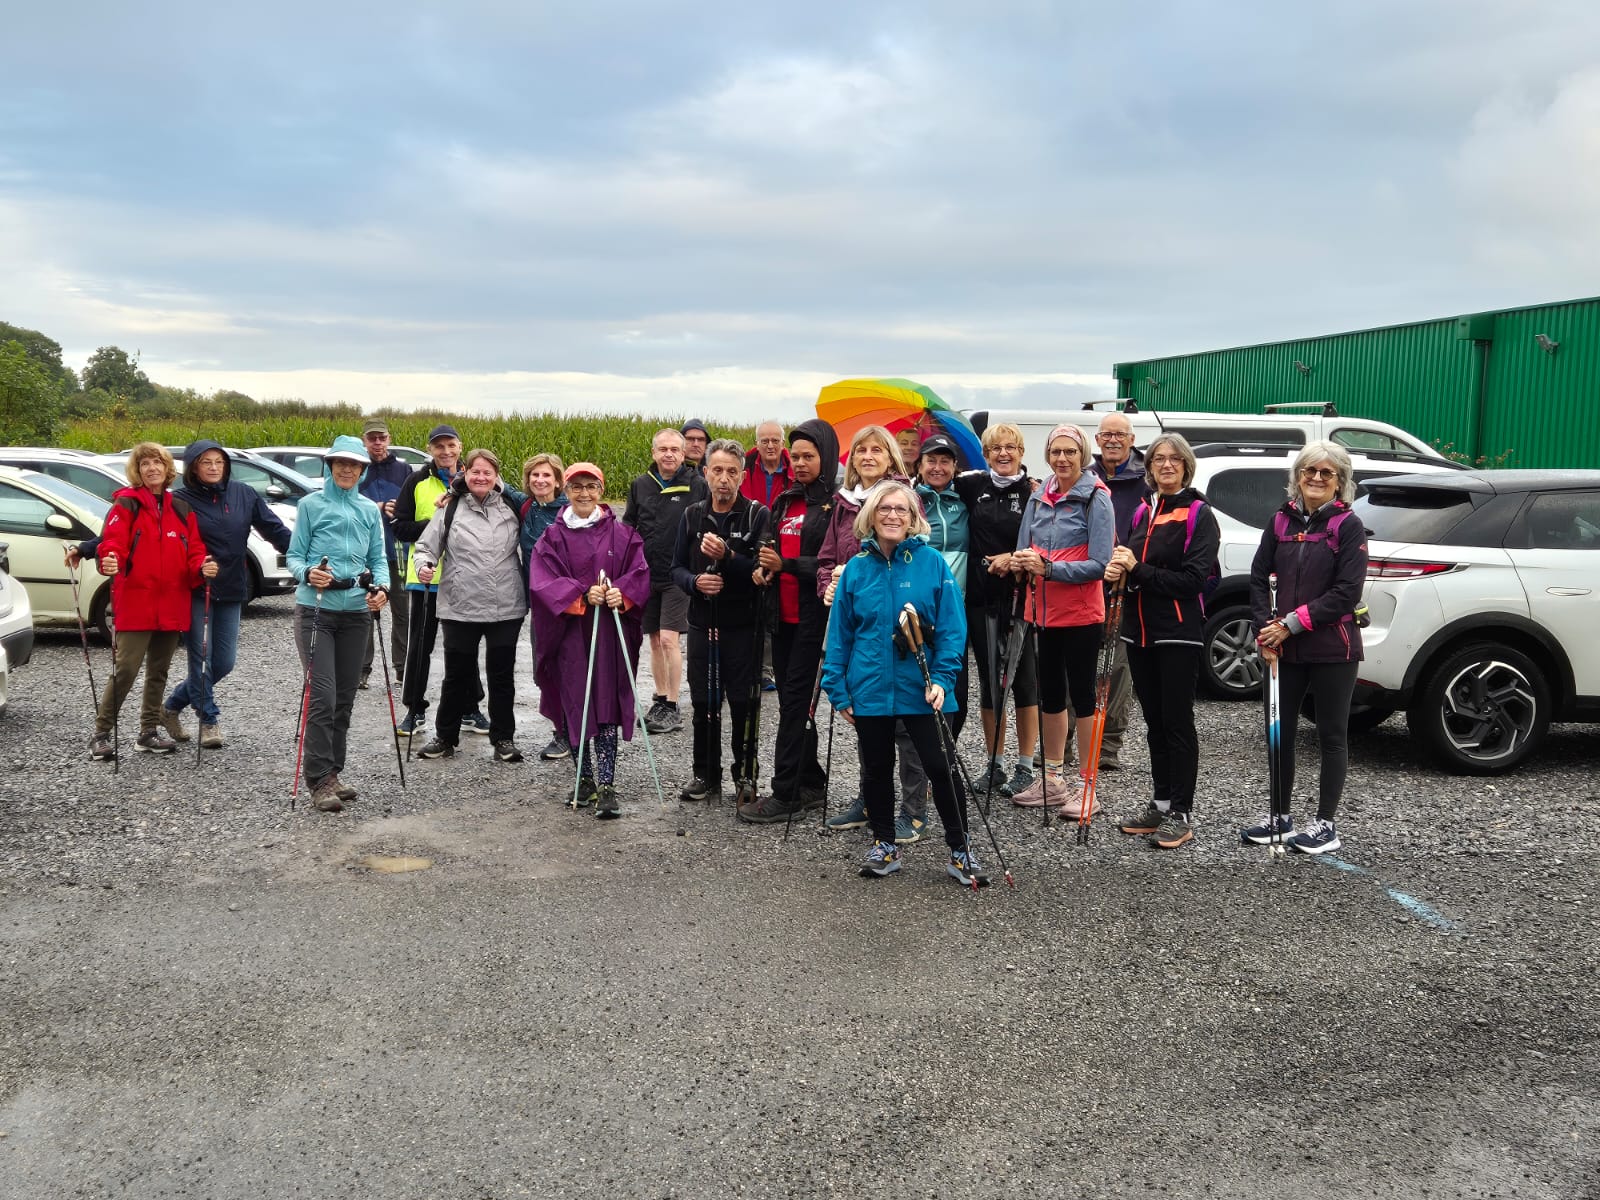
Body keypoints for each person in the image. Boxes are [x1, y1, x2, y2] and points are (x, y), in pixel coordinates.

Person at [821, 482, 984, 884]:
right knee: (876, 769)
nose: (892, 516)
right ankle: (884, 845)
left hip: (924, 689)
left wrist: (943, 679)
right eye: (884, 509)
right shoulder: (856, 568)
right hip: (869, 687)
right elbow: (839, 635)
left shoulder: (933, 564)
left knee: (940, 767)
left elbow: (953, 629)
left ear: (913, 518)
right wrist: (837, 689)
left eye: (901, 510)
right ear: (871, 516)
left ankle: (960, 849)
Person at [1240, 441, 1368, 855]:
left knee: (1331, 735)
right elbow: (1258, 577)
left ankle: (1326, 825)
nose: (1315, 478)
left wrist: (1289, 625)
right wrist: (1265, 629)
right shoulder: (1279, 520)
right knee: (1279, 732)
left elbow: (1346, 592)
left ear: (1339, 482)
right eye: (1309, 470)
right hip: (1282, 648)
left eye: (1326, 473)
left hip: (1332, 646)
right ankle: (1279, 817)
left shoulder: (1348, 525)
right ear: (1297, 476)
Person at [1104, 434, 1219, 849]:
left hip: (1178, 632)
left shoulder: (1199, 514)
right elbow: (1135, 566)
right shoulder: (1143, 510)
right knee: (1154, 722)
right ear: (1149, 467)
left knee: (1177, 722)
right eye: (1158, 459)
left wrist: (1137, 569)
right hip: (1139, 631)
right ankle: (1161, 802)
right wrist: (1119, 571)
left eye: (1174, 459)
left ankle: (1181, 812)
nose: (1166, 465)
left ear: (1186, 466)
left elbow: (1192, 581)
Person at [819, 425, 927, 835]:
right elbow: (827, 557)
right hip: (859, 618)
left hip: (898, 617)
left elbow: (917, 550)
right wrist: (830, 584)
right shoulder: (843, 503)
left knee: (908, 727)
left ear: (890, 456)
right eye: (860, 449)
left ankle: (913, 810)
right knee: (870, 719)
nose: (867, 456)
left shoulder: (902, 497)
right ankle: (870, 800)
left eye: (876, 449)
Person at [529, 463, 651, 819]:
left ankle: (608, 783)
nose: (584, 493)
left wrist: (620, 593)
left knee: (606, 700)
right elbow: (543, 581)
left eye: (591, 486)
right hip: (570, 635)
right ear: (566, 491)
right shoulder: (552, 537)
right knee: (575, 700)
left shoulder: (623, 535)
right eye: (577, 487)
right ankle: (583, 779)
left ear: (601, 490)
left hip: (609, 633)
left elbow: (640, 573)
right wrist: (581, 594)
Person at [1008, 424, 1114, 813]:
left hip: (1081, 612)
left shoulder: (1096, 498)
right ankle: (1052, 779)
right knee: (1050, 695)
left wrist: (1049, 568)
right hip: (1042, 610)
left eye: (1070, 451)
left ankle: (1088, 787)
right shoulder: (1038, 496)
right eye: (1056, 452)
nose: (1063, 458)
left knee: (1083, 698)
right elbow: (1024, 546)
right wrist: (1020, 561)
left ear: (1082, 455)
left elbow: (1100, 564)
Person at [160, 439, 292, 749]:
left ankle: (171, 706)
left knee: (223, 662)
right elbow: (160, 537)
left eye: (218, 461)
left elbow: (273, 529)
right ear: (193, 467)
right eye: (206, 462)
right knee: (200, 658)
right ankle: (208, 720)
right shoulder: (179, 500)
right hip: (196, 587)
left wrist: (303, 555)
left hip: (232, 585)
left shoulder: (243, 494)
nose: (213, 467)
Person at [740, 419, 839, 824]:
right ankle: (811, 780)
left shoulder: (836, 505)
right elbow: (769, 546)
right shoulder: (785, 500)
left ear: (825, 457)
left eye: (808, 456)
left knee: (796, 703)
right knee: (789, 700)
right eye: (794, 456)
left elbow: (835, 563)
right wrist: (763, 567)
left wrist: (788, 565)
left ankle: (786, 792)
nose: (799, 463)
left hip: (815, 617)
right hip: (782, 616)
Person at [88, 443, 214, 760]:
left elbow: (194, 550)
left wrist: (202, 566)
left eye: (158, 462)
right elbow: (112, 543)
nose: (152, 468)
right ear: (138, 470)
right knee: (126, 669)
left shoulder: (181, 508)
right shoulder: (126, 504)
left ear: (167, 468)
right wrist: (110, 559)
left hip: (172, 601)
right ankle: (101, 734)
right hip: (136, 602)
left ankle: (148, 732)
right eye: (145, 464)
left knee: (159, 671)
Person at [286, 436, 389, 811]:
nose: (347, 470)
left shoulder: (368, 509)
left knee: (344, 698)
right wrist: (308, 573)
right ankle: (318, 780)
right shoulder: (310, 505)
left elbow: (378, 559)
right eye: (340, 463)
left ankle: (333, 772)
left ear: (362, 470)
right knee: (323, 696)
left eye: (354, 465)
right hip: (316, 610)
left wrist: (383, 589)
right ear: (330, 467)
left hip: (356, 612)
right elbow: (294, 557)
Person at [411, 449, 529, 764]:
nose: (481, 477)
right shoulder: (450, 508)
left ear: (496, 476)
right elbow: (425, 546)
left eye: (487, 472)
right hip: (459, 606)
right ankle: (445, 737)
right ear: (465, 473)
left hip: (506, 606)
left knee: (502, 676)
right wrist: (425, 565)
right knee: (456, 675)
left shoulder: (511, 506)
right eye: (475, 471)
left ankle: (503, 739)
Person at [671, 439, 770, 802]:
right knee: (704, 704)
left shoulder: (757, 515)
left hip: (743, 625)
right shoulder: (692, 515)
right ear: (705, 473)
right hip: (702, 624)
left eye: (731, 471)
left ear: (742, 476)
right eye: (717, 470)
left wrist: (728, 556)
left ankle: (745, 776)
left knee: (743, 704)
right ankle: (705, 774)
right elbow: (676, 568)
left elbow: (762, 570)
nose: (724, 479)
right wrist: (695, 582)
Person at [956, 423, 1041, 802]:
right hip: (981, 599)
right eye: (995, 448)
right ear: (986, 454)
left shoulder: (1035, 491)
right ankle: (995, 762)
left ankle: (1026, 766)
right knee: (991, 682)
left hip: (1022, 599)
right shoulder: (972, 485)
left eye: (1010, 447)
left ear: (1021, 452)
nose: (1003, 454)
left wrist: (1015, 557)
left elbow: (1046, 541)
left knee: (1024, 682)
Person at [393, 424, 490, 738]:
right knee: (420, 647)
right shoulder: (416, 481)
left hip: (464, 579)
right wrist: (436, 523)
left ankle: (470, 709)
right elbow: (399, 527)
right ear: (430, 450)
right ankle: (414, 710)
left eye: (451, 445)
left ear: (460, 447)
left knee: (463, 647)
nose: (445, 451)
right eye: (439, 446)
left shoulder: (473, 478)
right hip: (426, 578)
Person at [903, 432, 970, 843]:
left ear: (955, 466)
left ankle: (939, 768)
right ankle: (919, 786)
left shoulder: (966, 500)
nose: (938, 467)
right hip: (916, 615)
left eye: (945, 460)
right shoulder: (910, 501)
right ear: (920, 464)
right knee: (916, 699)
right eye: (931, 460)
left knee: (955, 695)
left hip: (954, 612)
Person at [623, 427, 709, 735]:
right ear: (654, 453)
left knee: (671, 639)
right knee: (655, 640)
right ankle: (660, 699)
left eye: (674, 449)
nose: (668, 454)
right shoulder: (641, 485)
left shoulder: (697, 485)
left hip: (678, 575)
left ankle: (672, 706)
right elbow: (629, 526)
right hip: (647, 574)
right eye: (663, 449)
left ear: (683, 454)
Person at [1087, 410, 1152, 771]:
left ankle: (1109, 743)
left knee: (1119, 668)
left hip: (1126, 584)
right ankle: (1070, 738)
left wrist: (1129, 561)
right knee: (1077, 662)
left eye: (1120, 435)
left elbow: (1151, 529)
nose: (1113, 440)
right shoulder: (1086, 475)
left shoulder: (1147, 480)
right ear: (1097, 440)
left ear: (1131, 440)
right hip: (1084, 582)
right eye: (1106, 435)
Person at [517, 453, 569, 761]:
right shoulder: (526, 507)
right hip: (539, 606)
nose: (540, 480)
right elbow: (491, 483)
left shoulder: (568, 511)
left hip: (566, 605)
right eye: (535, 475)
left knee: (567, 668)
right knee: (544, 669)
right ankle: (562, 727)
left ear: (558, 480)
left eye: (547, 475)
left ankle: (567, 733)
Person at [358, 418, 412, 690]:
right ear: (365, 441)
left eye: (382, 438)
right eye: (372, 439)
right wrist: (376, 507)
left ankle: (402, 668)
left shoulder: (403, 469)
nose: (377, 443)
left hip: (398, 550)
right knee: (365, 611)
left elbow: (412, 505)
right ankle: (361, 670)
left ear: (389, 439)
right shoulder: (358, 468)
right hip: (366, 552)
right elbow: (350, 503)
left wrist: (398, 508)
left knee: (402, 612)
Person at [741, 420, 791, 508]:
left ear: (783, 444)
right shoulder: (743, 468)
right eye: (765, 441)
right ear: (757, 444)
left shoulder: (793, 473)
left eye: (775, 441)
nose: (770, 446)